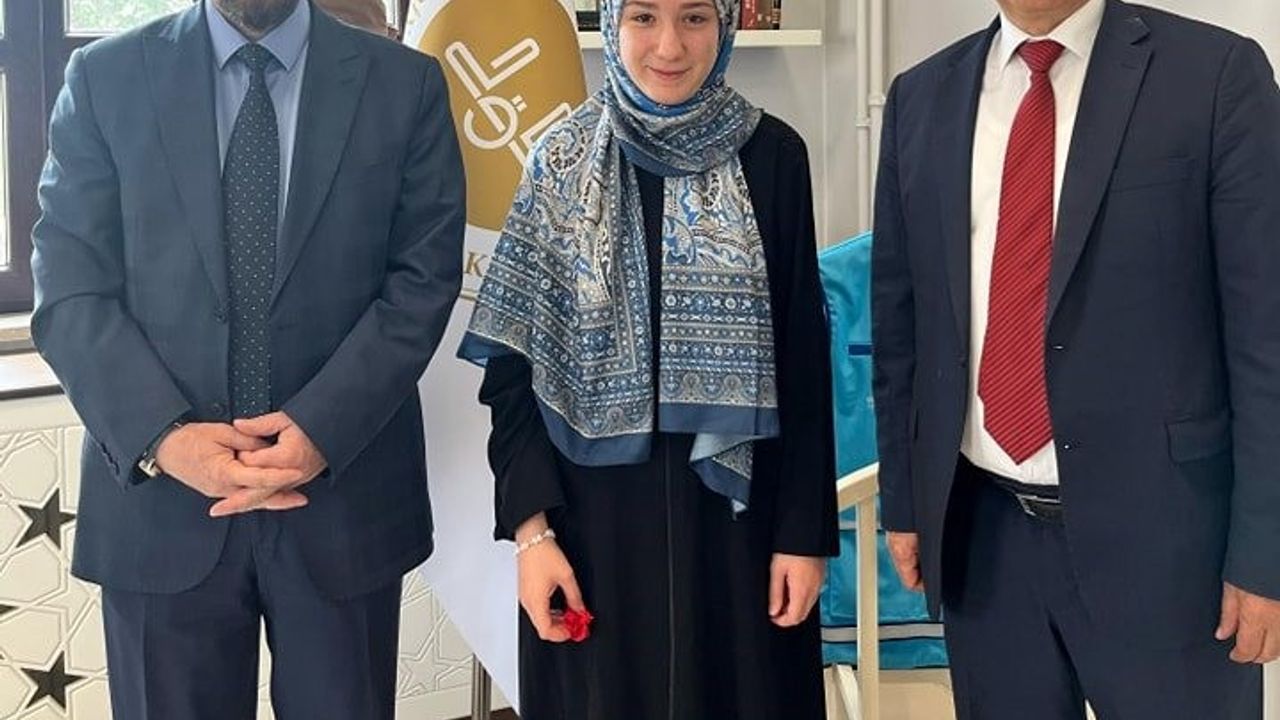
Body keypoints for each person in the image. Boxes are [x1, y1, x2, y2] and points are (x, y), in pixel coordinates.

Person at [30, 0, 465, 717]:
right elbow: (70, 288)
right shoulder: (105, 78)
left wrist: (323, 428)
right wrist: (165, 439)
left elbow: (422, 282)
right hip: (163, 511)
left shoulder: (404, 84)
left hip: (342, 503)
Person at [871, 0, 1280, 717]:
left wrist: (1265, 552)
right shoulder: (923, 96)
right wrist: (906, 503)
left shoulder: (1215, 75)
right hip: (986, 542)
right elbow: (901, 323)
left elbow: (1265, 334)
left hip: (1169, 545)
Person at [457, 0, 837, 717]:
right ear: (611, 23)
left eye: (694, 17)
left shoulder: (773, 156)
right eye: (643, 17)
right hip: (589, 537)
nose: (669, 46)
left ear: (725, 24)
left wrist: (802, 536)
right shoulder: (560, 162)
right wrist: (532, 536)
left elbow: (804, 363)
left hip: (739, 533)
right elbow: (512, 374)